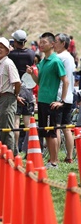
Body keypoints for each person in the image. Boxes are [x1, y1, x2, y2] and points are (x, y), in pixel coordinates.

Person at [26, 32, 68, 169]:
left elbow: (65, 81)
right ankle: (51, 160)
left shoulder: (56, 61)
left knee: (51, 132)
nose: (41, 45)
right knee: (45, 132)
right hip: (42, 101)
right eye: (40, 42)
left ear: (52, 44)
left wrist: (61, 101)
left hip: (51, 102)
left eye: (44, 42)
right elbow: (39, 82)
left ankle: (54, 161)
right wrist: (32, 74)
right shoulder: (43, 62)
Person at [9, 29, 36, 155]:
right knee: (28, 122)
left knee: (15, 121)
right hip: (28, 88)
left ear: (15, 41)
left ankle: (15, 150)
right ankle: (31, 149)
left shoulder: (11, 55)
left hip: (16, 88)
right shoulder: (31, 53)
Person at [0, 37, 22, 153]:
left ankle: (11, 155)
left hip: (7, 97)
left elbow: (17, 82)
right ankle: (8, 153)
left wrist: (15, 94)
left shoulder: (8, 63)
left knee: (7, 128)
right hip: (0, 97)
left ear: (7, 50)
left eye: (2, 47)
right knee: (3, 127)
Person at [54, 33, 76, 163]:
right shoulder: (70, 57)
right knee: (67, 128)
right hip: (69, 96)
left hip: (59, 96)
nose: (53, 43)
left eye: (56, 41)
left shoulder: (58, 57)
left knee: (56, 127)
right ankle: (69, 156)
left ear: (63, 43)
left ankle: (55, 157)